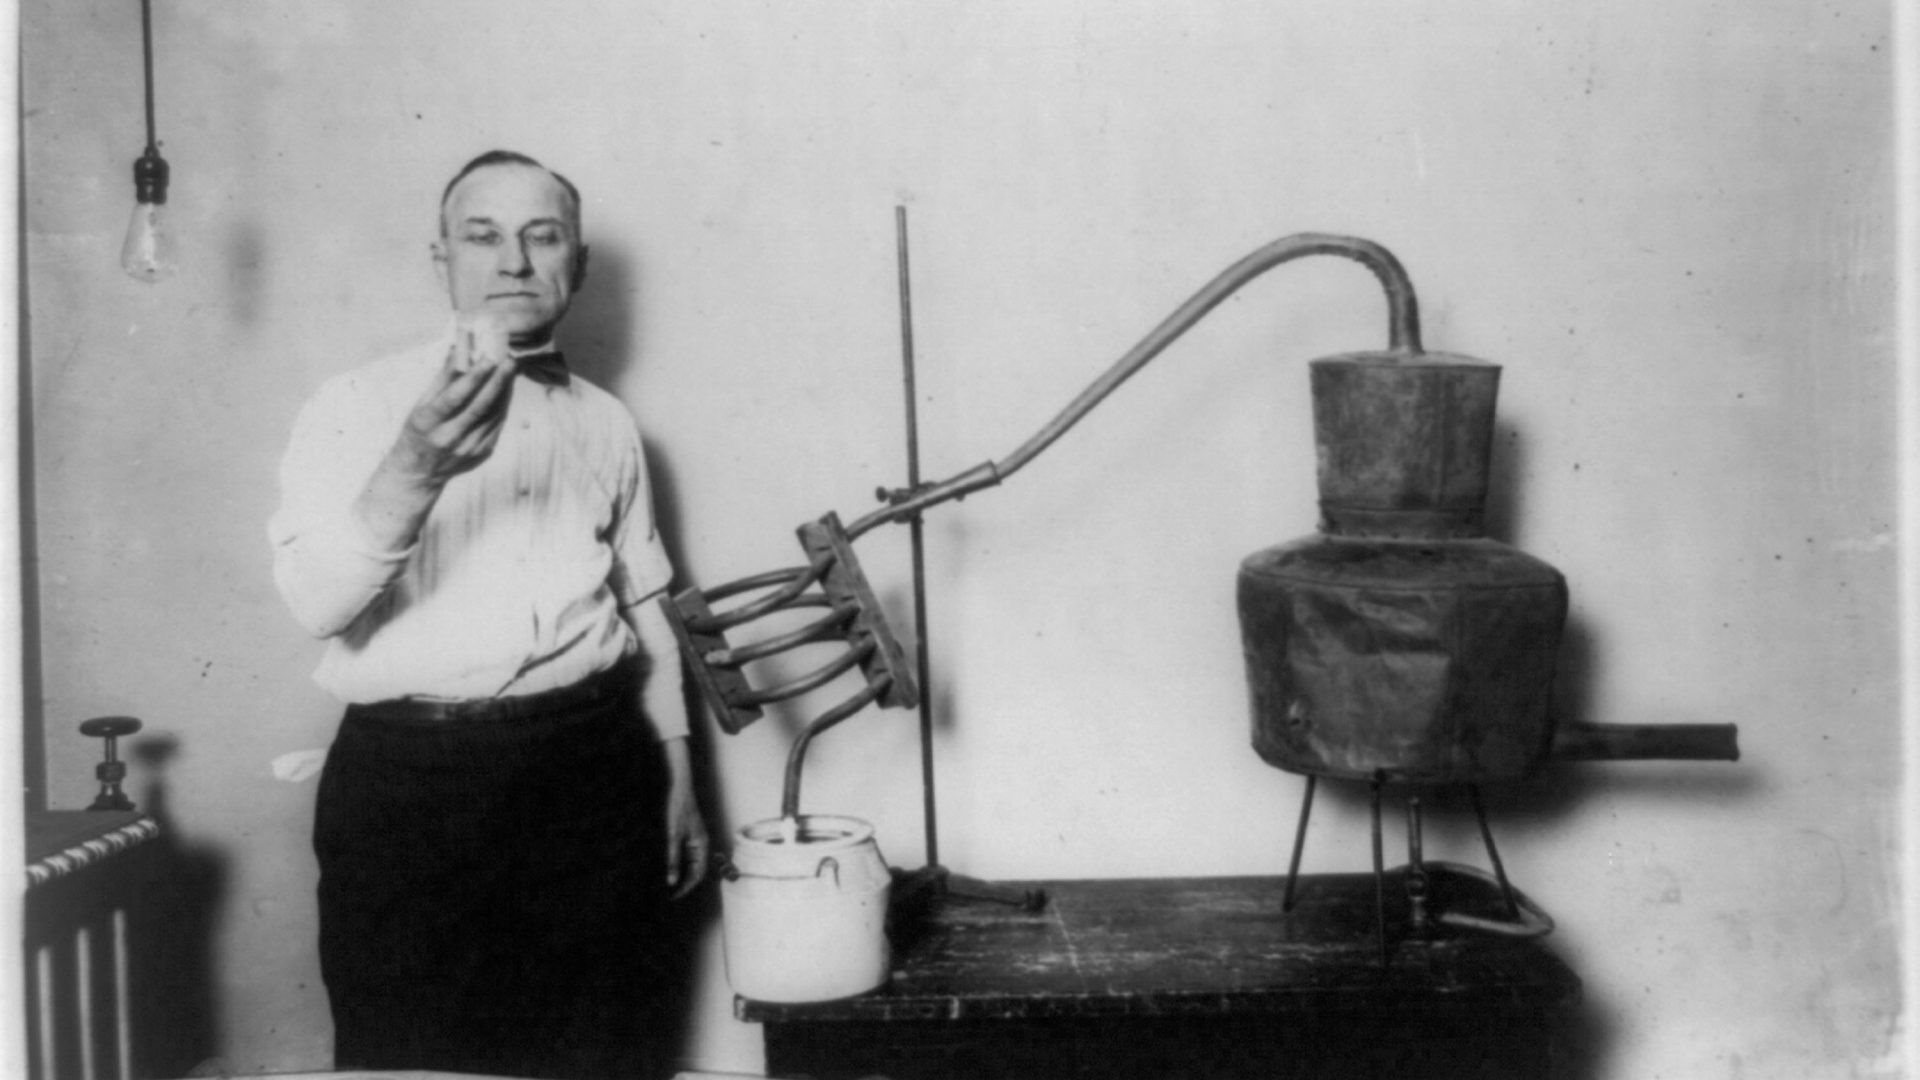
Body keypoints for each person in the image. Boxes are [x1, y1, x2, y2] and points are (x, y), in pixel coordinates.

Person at [268, 149, 708, 1080]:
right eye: (485, 236)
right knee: (411, 1062)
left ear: (574, 267)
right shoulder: (351, 406)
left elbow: (649, 607)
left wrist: (677, 771)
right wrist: (416, 465)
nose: (514, 261)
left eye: (542, 237)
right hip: (409, 788)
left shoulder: (608, 423)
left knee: (600, 1054)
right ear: (444, 262)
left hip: (593, 774)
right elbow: (317, 604)